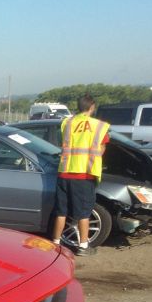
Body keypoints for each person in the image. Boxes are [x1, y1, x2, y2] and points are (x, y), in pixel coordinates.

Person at [51, 93, 110, 256]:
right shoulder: (98, 126)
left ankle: (55, 243)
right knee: (84, 212)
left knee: (61, 211)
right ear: (92, 107)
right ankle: (83, 246)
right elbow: (102, 149)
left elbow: (63, 143)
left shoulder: (67, 123)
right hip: (84, 174)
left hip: (64, 173)